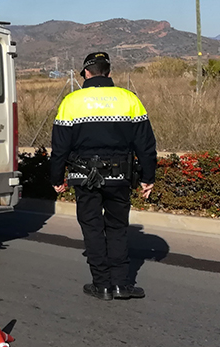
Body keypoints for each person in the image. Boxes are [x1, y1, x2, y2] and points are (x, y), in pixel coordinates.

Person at [50, 52, 157, 300]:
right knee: (118, 227)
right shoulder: (129, 99)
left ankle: (102, 285)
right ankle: (121, 284)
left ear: (86, 73)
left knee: (92, 228)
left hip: (83, 175)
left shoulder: (71, 101)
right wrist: (147, 177)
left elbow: (60, 147)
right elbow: (146, 144)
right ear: (108, 72)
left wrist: (57, 178)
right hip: (120, 175)